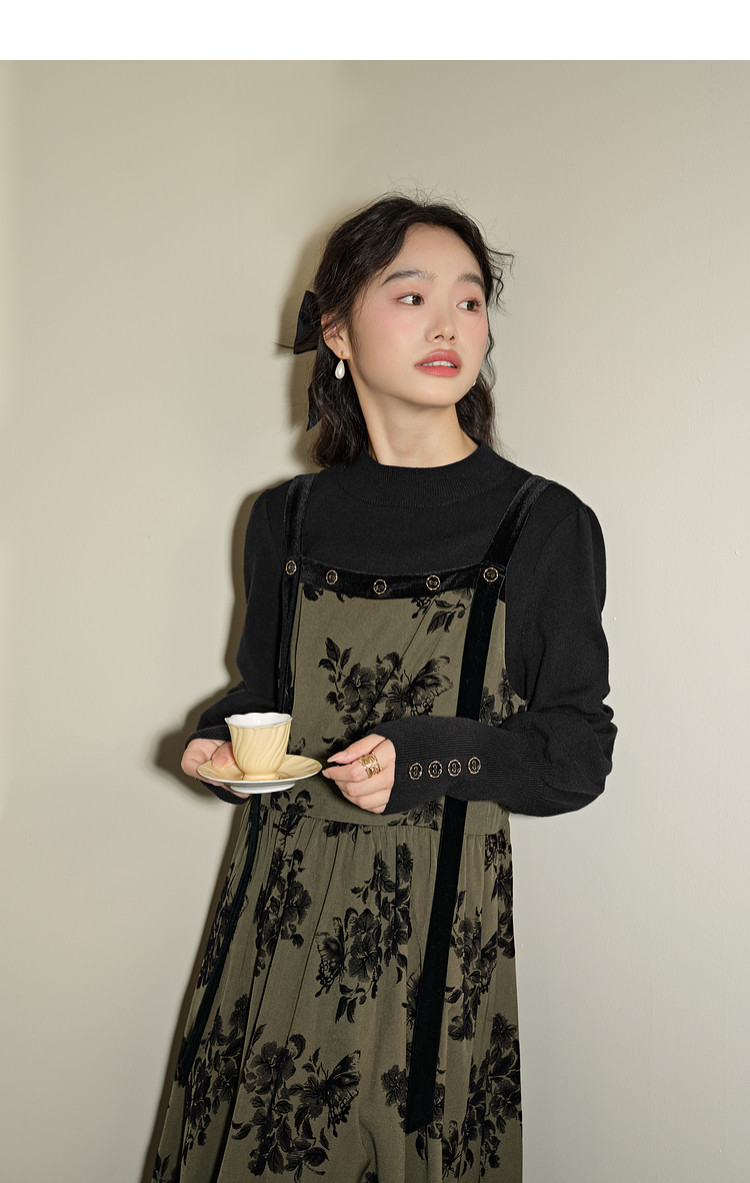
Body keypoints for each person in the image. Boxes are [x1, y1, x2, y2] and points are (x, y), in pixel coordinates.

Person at [152, 195, 616, 1183]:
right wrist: (214, 738)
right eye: (411, 296)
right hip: (271, 914)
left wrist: (430, 754)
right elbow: (264, 689)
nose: (450, 324)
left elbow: (576, 754)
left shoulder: (543, 523)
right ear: (336, 330)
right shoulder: (284, 517)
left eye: (470, 300)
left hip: (431, 941)